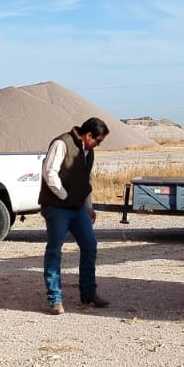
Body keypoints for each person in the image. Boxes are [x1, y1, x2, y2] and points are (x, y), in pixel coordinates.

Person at [40, 118, 111, 313]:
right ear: (88, 135)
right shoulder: (62, 143)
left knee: (89, 245)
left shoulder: (89, 152)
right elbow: (49, 173)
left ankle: (89, 294)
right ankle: (55, 298)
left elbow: (86, 180)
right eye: (98, 140)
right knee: (55, 250)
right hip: (57, 207)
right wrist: (65, 196)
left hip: (78, 208)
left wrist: (88, 205)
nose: (98, 144)